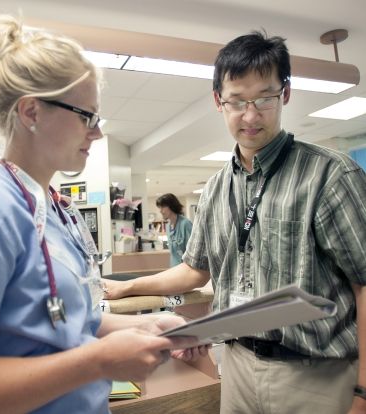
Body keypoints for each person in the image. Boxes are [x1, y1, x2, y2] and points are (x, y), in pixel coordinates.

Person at [0, 15, 207, 414]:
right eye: (86, 116)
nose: (98, 133)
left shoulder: (56, 211)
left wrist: (152, 328)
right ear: (31, 112)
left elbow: (75, 326)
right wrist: (99, 361)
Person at [104, 30, 366, 414]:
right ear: (218, 101)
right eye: (237, 101)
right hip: (236, 367)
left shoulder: (330, 175)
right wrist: (128, 288)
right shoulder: (214, 190)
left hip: (316, 376)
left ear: (285, 94)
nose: (250, 115)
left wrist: (362, 394)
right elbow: (194, 271)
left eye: (264, 99)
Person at [156, 193, 193, 267]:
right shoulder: (168, 227)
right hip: (174, 267)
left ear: (171, 206)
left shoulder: (185, 224)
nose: (160, 210)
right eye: (159, 207)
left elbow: (193, 251)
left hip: (187, 268)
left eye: (163, 207)